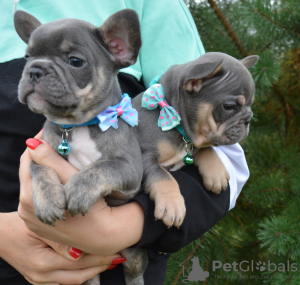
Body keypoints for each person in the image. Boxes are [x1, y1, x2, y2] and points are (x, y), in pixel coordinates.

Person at [0, 0, 250, 284]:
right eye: (30, 59)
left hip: (123, 267)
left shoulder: (151, 6)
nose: (36, 72)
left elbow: (218, 142)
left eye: (74, 62)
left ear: (120, 48)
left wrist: (124, 227)